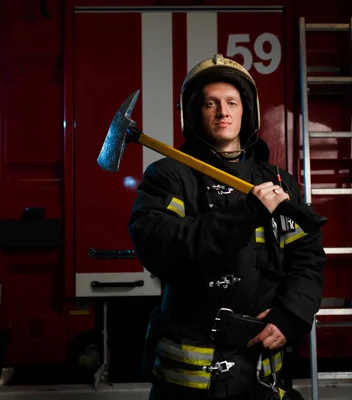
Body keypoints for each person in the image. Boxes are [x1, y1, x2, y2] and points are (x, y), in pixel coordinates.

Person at [128, 54, 326, 399]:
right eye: (211, 104)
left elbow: (307, 259)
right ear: (194, 113)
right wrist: (246, 213)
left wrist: (291, 315)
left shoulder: (278, 181)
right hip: (188, 385)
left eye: (232, 102)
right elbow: (160, 248)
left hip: (264, 378)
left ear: (246, 110)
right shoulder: (169, 177)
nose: (223, 112)